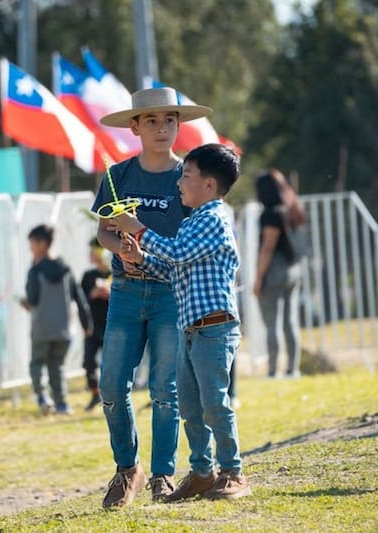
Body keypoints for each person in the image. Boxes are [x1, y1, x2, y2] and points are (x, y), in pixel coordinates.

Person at [92, 86, 212, 508]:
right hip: (125, 292)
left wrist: (153, 252)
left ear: (179, 125)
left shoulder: (190, 177)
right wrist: (121, 249)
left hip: (170, 293)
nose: (162, 128)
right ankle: (128, 469)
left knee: (165, 389)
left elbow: (195, 236)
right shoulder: (117, 176)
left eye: (169, 120)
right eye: (152, 121)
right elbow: (104, 230)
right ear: (135, 127)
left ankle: (163, 474)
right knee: (111, 386)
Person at [112, 143, 251, 501]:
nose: (179, 183)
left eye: (186, 176)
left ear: (209, 184)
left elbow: (177, 253)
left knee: (214, 404)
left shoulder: (213, 219)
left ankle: (233, 472)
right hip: (191, 329)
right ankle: (203, 472)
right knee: (190, 406)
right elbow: (174, 270)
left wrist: (137, 228)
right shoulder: (193, 221)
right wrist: (139, 258)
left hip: (214, 328)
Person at [22, 224, 92, 415]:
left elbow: (32, 298)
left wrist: (25, 302)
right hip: (63, 328)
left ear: (42, 244)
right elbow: (79, 297)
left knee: (37, 363)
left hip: (42, 328)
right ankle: (62, 404)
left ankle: (43, 398)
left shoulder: (36, 270)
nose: (30, 248)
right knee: (57, 367)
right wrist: (86, 323)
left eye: (32, 243)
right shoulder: (65, 268)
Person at [253, 169, 307, 379]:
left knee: (272, 324)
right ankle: (293, 369)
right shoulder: (293, 209)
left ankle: (273, 370)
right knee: (290, 322)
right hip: (293, 269)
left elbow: (267, 248)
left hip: (274, 271)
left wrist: (258, 278)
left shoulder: (271, 214)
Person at [81, 237, 111, 411]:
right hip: (93, 326)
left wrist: (109, 293)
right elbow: (81, 301)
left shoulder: (114, 274)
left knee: (111, 363)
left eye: (94, 250)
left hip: (111, 327)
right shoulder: (88, 276)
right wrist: (93, 294)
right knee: (88, 361)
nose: (91, 254)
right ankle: (95, 394)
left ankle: (111, 396)